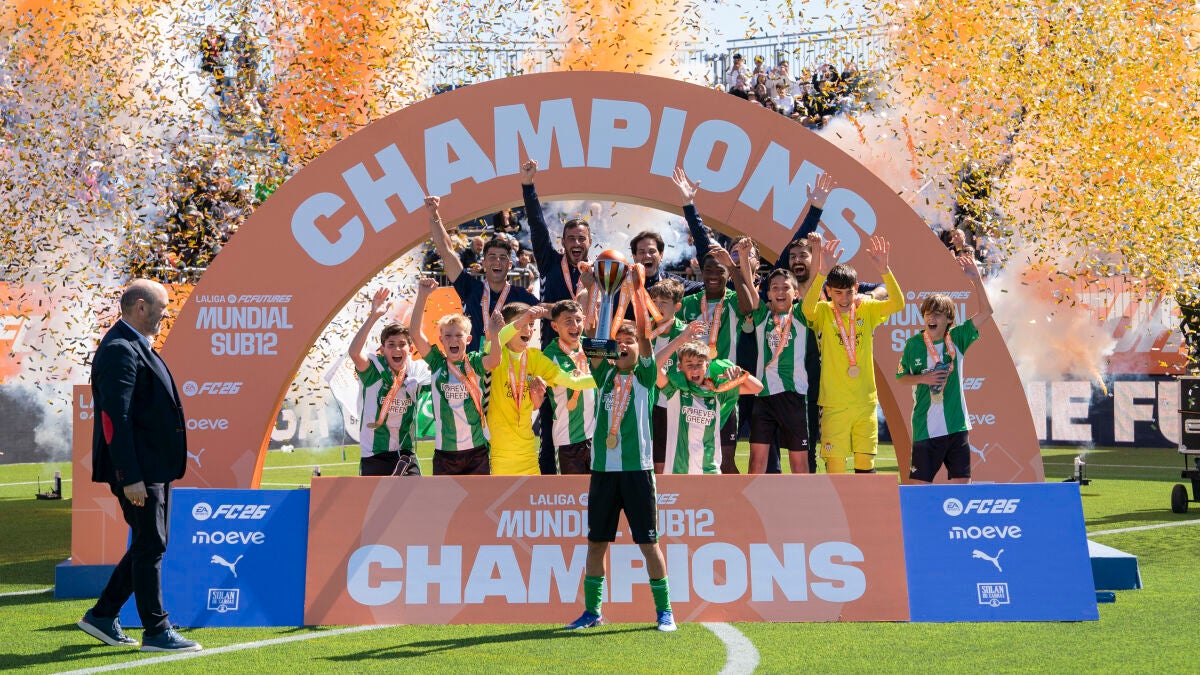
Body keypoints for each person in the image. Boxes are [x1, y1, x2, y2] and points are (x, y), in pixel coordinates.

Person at [79, 279, 201, 652]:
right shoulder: (119, 348)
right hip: (139, 471)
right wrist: (129, 476)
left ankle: (102, 615)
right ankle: (156, 630)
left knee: (150, 542)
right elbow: (116, 418)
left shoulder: (132, 344)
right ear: (140, 307)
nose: (166, 316)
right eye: (162, 308)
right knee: (150, 544)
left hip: (152, 467)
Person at [565, 278, 675, 632]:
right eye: (620, 342)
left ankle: (664, 612)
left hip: (638, 471)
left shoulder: (644, 375)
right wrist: (597, 287)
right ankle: (592, 612)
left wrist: (638, 294)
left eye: (629, 342)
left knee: (648, 543)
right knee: (596, 543)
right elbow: (592, 341)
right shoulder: (602, 372)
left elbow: (645, 338)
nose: (625, 345)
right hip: (603, 470)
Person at [802, 235, 904, 474]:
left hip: (864, 402)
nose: (844, 299)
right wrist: (821, 272)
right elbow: (807, 309)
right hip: (833, 404)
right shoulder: (824, 313)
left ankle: (865, 512)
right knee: (836, 469)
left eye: (849, 292)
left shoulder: (867, 308)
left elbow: (898, 304)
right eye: (837, 293)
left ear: (856, 289)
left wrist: (885, 270)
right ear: (828, 291)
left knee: (865, 468)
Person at [897, 255, 993, 483]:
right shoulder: (913, 344)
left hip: (957, 427)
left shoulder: (958, 337)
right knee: (918, 491)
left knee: (961, 489)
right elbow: (901, 378)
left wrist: (976, 280)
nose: (931, 318)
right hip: (925, 429)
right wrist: (925, 378)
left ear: (948, 318)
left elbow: (986, 312)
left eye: (937, 314)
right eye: (928, 314)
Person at [678, 234, 757, 475]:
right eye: (708, 270)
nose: (713, 275)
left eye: (719, 271)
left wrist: (733, 268)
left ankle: (734, 511)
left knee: (727, 459)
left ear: (726, 275)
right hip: (691, 386)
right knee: (692, 455)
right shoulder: (688, 303)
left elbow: (749, 308)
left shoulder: (734, 300)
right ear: (701, 272)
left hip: (723, 384)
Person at [486, 302, 596, 475]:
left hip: (529, 455)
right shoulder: (496, 352)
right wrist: (523, 319)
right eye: (523, 324)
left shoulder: (536, 358)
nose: (528, 329)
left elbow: (574, 382)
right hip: (499, 456)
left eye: (531, 324)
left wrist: (609, 377)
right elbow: (498, 338)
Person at [427, 196, 538, 352]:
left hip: (504, 369)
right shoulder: (470, 287)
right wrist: (434, 215)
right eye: (492, 257)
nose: (497, 262)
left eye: (502, 258)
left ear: (510, 264)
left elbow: (550, 312)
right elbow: (446, 251)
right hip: (473, 365)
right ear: (483, 263)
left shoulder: (520, 295)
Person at [410, 278, 492, 475]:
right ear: (441, 340)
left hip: (477, 451)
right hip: (445, 453)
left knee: (480, 505)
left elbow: (494, 360)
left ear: (468, 339)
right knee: (445, 506)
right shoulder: (437, 362)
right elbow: (414, 333)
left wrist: (495, 334)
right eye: (447, 336)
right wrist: (422, 295)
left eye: (458, 336)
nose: (453, 340)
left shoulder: (473, 362)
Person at [347, 287, 431, 476]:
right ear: (382, 349)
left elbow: (440, 373)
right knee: (376, 506)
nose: (397, 349)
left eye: (402, 344)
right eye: (391, 345)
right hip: (374, 454)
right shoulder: (374, 369)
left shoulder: (417, 370)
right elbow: (354, 353)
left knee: (417, 500)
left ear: (410, 349)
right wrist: (373, 316)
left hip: (405, 453)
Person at [657, 327, 763, 474]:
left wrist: (740, 373)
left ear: (707, 365)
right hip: (678, 472)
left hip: (710, 471)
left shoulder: (717, 391)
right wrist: (680, 340)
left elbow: (757, 388)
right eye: (689, 365)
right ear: (680, 367)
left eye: (699, 364)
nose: (695, 369)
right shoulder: (675, 390)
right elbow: (653, 367)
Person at [743, 268, 813, 474]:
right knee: (756, 461)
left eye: (786, 287)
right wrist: (746, 261)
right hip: (763, 397)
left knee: (799, 463)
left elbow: (811, 287)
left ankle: (803, 505)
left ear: (796, 293)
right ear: (769, 294)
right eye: (775, 288)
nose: (780, 292)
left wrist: (817, 256)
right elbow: (751, 292)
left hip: (794, 396)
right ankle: (750, 505)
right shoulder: (762, 316)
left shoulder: (800, 314)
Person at [542, 300, 598, 474]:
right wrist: (607, 377)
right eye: (568, 321)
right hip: (568, 440)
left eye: (578, 320)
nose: (575, 326)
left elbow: (620, 357)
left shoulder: (592, 345)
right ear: (555, 326)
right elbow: (573, 383)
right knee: (571, 497)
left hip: (597, 438)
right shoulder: (549, 356)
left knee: (601, 497)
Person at [647, 279, 687, 473]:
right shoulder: (643, 331)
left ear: (677, 306)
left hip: (673, 406)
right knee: (649, 463)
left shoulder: (687, 334)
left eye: (664, 302)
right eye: (654, 301)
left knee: (667, 465)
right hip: (646, 406)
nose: (658, 306)